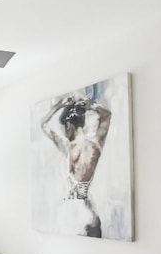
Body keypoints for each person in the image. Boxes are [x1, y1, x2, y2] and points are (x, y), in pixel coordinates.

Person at [40, 96, 111, 237]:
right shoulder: (96, 145)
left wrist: (58, 106)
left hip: (74, 215)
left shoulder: (68, 147)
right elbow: (106, 115)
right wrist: (91, 106)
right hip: (91, 214)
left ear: (68, 126)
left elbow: (43, 124)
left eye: (64, 129)